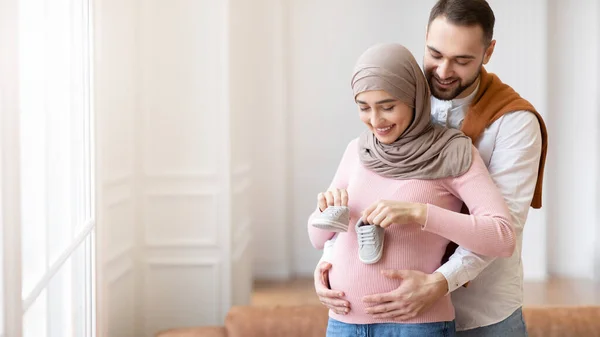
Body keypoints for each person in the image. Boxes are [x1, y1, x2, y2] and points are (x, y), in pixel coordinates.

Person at [314, 1, 548, 336]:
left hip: (483, 311)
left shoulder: (514, 124)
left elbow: (502, 228)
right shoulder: (401, 99)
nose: (442, 71)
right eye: (435, 54)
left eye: (462, 60)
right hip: (398, 314)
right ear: (425, 39)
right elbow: (359, 192)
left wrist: (437, 284)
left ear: (488, 51)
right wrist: (328, 265)